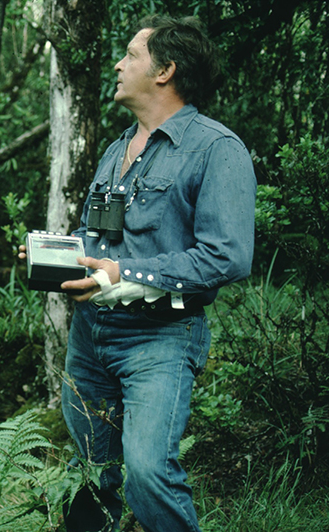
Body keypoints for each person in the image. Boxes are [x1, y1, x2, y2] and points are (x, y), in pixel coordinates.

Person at [43, 15, 255, 532]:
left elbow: (228, 256)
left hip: (160, 339)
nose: (118, 63)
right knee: (92, 473)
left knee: (147, 474)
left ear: (166, 71)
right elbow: (97, 238)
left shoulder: (215, 149)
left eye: (131, 55)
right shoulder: (119, 148)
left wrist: (124, 274)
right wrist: (58, 259)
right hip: (91, 340)